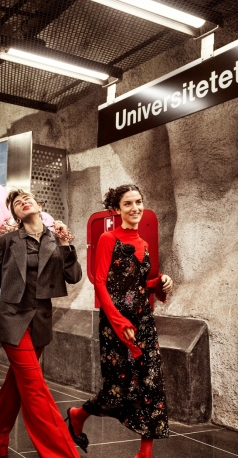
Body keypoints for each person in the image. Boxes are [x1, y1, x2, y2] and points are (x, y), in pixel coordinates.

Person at [66, 184, 174, 458]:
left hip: (144, 323)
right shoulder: (108, 238)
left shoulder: (144, 243)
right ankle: (78, 415)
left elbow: (137, 285)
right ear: (116, 209)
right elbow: (100, 283)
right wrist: (117, 321)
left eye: (138, 202)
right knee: (118, 389)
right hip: (116, 325)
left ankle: (144, 454)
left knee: (152, 385)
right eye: (128, 204)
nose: (135, 208)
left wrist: (159, 284)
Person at [0, 189, 82, 458]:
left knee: (15, 386)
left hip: (40, 321)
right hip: (10, 318)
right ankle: (61, 453)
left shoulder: (56, 239)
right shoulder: (7, 241)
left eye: (26, 199)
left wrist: (64, 244)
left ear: (39, 206)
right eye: (16, 203)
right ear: (16, 214)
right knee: (34, 387)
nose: (22, 202)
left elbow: (74, 276)